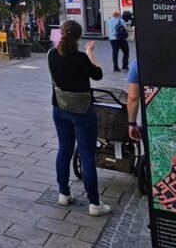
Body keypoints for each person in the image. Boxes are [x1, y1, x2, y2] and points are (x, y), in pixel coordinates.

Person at [48, 20, 111, 217]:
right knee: (87, 154)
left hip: (60, 108)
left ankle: (63, 193)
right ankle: (94, 203)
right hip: (82, 111)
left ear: (62, 34)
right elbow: (98, 75)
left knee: (64, 150)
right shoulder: (81, 58)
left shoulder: (51, 55)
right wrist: (90, 53)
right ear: (78, 36)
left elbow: (56, 49)